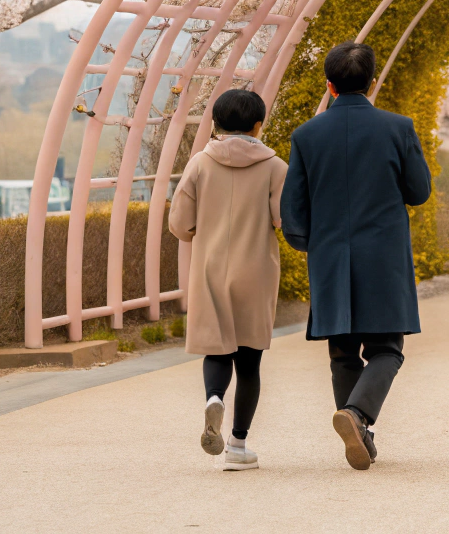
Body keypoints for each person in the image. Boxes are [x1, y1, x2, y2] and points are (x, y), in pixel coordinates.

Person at [280, 42, 433, 471]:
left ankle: (359, 429)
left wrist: (313, 245)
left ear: (329, 86)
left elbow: (293, 211)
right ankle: (358, 416)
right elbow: (419, 192)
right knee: (387, 348)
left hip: (330, 255)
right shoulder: (398, 128)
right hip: (383, 255)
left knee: (342, 352)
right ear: (372, 83)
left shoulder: (306, 135)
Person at [169, 88, 288, 472]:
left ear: (215, 124)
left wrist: (198, 229)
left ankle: (214, 397)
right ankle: (238, 446)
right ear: (258, 124)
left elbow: (180, 225)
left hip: (210, 267)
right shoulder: (275, 167)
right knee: (250, 361)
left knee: (217, 350)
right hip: (256, 270)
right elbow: (284, 219)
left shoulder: (200, 164)